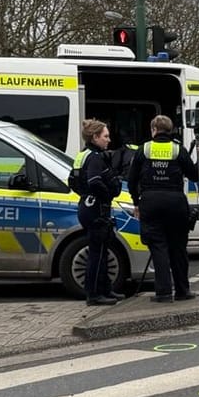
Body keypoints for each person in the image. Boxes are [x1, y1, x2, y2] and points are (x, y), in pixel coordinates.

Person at [128, 114, 199, 303]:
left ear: (153, 129)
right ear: (170, 130)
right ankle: (182, 291)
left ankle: (163, 292)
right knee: (178, 248)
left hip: (151, 201)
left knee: (158, 247)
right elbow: (194, 175)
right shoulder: (177, 150)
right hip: (175, 203)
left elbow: (132, 181)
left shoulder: (143, 150)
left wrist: (136, 203)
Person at [72, 119, 128, 306]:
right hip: (96, 209)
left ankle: (105, 290)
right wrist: (106, 196)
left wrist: (85, 195)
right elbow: (95, 181)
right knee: (97, 253)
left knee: (103, 250)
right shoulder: (95, 157)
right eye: (105, 136)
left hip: (87, 207)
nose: (109, 140)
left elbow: (72, 181)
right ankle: (95, 295)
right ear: (95, 137)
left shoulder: (83, 154)